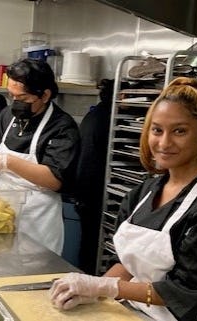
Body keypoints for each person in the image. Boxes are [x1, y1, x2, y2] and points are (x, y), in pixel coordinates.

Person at [49, 77, 197, 321]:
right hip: (132, 312)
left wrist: (107, 288)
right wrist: (94, 289)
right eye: (157, 130)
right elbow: (126, 263)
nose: (164, 143)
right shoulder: (143, 192)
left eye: (179, 131)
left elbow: (185, 291)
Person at [0, 58, 81, 255]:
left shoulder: (61, 127)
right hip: (2, 215)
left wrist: (7, 161)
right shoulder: (8, 115)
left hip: (38, 222)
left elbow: (54, 180)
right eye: (12, 96)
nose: (16, 103)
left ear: (45, 95)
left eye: (23, 99)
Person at [75, 79, 128, 274]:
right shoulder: (111, 120)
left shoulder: (94, 114)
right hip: (98, 196)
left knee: (88, 247)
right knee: (92, 249)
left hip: (86, 194)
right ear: (121, 96)